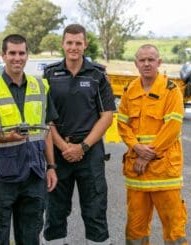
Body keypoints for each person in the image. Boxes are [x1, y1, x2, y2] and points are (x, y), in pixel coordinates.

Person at [0, 34, 58, 245]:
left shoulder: (40, 87)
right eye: (12, 53)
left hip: (33, 175)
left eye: (21, 53)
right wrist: (7, 136)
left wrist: (51, 166)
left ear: (27, 55)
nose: (17, 58)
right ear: (4, 55)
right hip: (1, 177)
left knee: (30, 238)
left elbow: (46, 130)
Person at [43, 24, 116, 245]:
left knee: (95, 213)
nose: (74, 47)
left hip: (90, 154)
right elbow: (46, 119)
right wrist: (64, 148)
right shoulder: (49, 74)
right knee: (55, 213)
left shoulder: (98, 75)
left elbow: (107, 116)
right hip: (58, 155)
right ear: (63, 44)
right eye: (69, 43)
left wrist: (82, 147)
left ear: (85, 45)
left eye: (78, 43)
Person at [117, 44, 188, 244]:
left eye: (151, 59)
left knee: (174, 229)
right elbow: (122, 124)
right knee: (135, 230)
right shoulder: (129, 90)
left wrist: (146, 154)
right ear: (136, 64)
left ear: (159, 62)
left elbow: (172, 127)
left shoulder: (171, 91)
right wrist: (136, 147)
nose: (147, 64)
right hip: (137, 174)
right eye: (142, 60)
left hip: (163, 171)